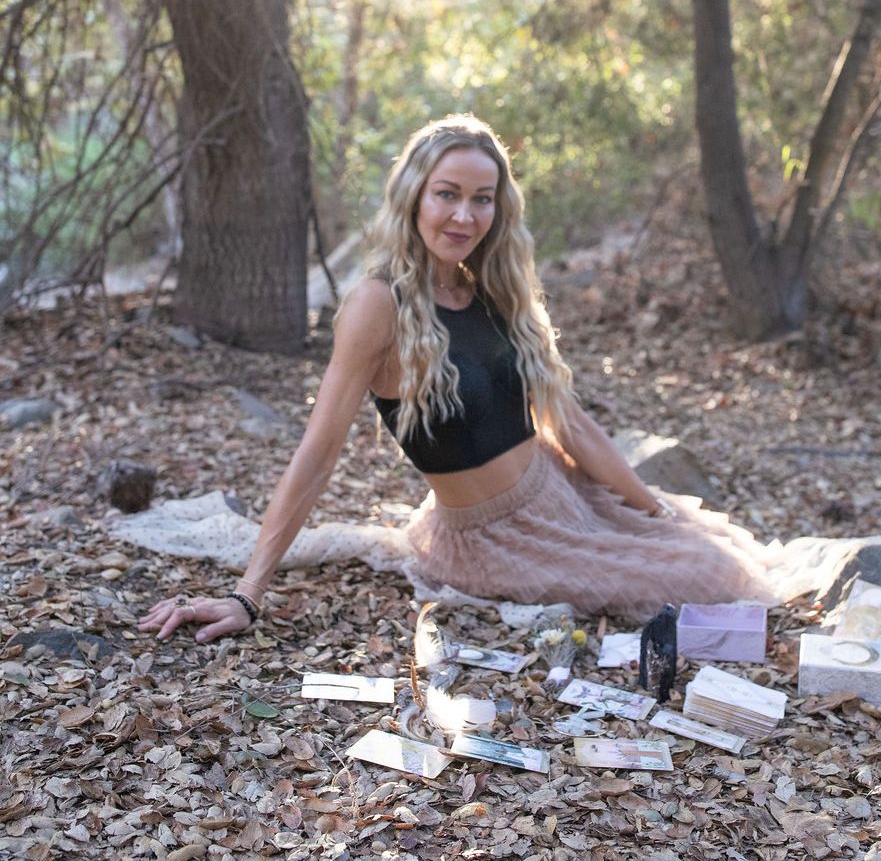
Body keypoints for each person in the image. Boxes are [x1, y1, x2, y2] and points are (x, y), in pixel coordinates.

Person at [140, 115, 781, 644]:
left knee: (706, 551)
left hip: (562, 489)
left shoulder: (491, 287)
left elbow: (571, 425)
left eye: (482, 199)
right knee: (708, 581)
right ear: (414, 196)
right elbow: (318, 452)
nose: (464, 216)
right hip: (494, 542)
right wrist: (247, 595)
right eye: (447, 194)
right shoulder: (378, 305)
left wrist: (653, 510)